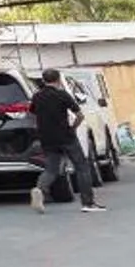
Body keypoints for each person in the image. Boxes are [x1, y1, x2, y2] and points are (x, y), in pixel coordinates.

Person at [28, 69, 104, 214]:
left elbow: (32, 112)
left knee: (51, 169)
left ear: (43, 81)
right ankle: (88, 203)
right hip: (66, 136)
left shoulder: (37, 97)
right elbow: (79, 115)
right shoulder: (62, 95)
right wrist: (73, 128)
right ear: (58, 80)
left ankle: (39, 189)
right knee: (82, 167)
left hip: (47, 138)